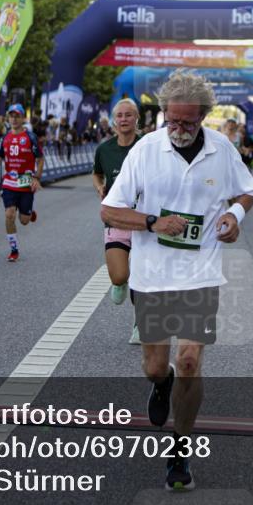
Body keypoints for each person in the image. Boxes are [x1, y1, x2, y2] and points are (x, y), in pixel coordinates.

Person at [101, 70, 253, 491]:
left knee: (190, 360)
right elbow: (110, 211)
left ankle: (180, 449)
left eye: (188, 123)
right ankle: (162, 382)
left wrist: (233, 216)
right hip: (152, 276)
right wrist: (153, 222)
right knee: (156, 367)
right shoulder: (145, 151)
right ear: (164, 113)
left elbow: (247, 191)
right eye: (173, 120)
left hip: (200, 273)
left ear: (204, 117)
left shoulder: (222, 149)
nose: (179, 129)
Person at [92, 98, 141, 341]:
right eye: (119, 115)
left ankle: (141, 323)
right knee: (120, 275)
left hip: (145, 221)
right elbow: (97, 173)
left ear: (136, 119)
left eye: (128, 115)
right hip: (116, 219)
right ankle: (120, 283)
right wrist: (100, 186)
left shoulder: (147, 147)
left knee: (143, 276)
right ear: (114, 120)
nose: (123, 119)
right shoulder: (105, 149)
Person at [0, 103, 43, 262]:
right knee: (9, 214)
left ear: (22, 118)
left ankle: (29, 212)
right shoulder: (5, 138)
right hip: (9, 182)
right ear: (8, 118)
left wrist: (37, 178)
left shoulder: (30, 137)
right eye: (11, 116)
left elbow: (40, 159)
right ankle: (14, 249)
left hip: (26, 182)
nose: (14, 119)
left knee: (24, 221)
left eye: (17, 116)